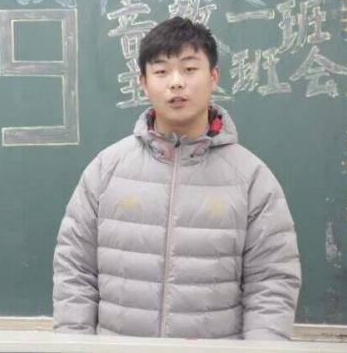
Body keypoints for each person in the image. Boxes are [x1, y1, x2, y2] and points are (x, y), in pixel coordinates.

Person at [52, 17, 301, 340]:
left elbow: (272, 283)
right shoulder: (106, 169)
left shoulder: (251, 178)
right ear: (143, 82)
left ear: (213, 77)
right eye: (161, 71)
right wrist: (75, 346)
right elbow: (74, 272)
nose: (176, 82)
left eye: (189, 69)